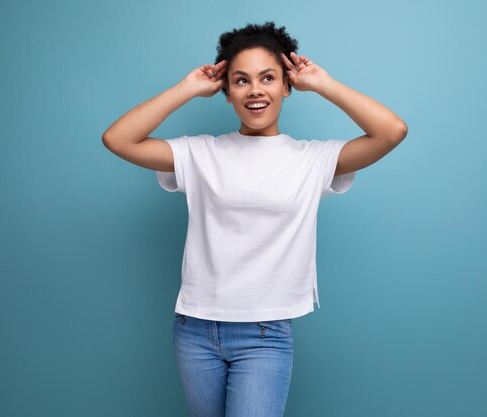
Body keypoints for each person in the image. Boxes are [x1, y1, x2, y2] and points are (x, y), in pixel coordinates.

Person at [102, 20, 407, 417]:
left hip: (265, 334)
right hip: (194, 328)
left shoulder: (311, 159)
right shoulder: (200, 153)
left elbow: (392, 131)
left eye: (268, 77)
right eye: (240, 80)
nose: (255, 90)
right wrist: (188, 88)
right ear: (226, 91)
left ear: (286, 85)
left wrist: (323, 83)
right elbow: (117, 139)